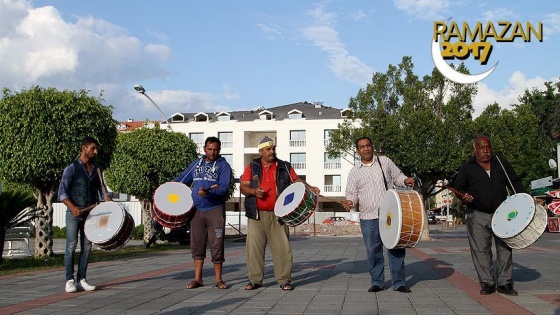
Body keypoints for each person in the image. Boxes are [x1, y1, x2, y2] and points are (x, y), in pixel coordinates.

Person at [240, 136, 319, 291]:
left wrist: (310, 187)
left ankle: (284, 280)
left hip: (278, 215)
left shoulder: (284, 166)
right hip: (256, 214)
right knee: (254, 249)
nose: (272, 151)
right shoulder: (252, 166)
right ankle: (255, 280)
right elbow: (243, 187)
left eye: (273, 148)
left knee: (282, 248)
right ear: (260, 151)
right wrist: (254, 192)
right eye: (268, 149)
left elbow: (297, 181)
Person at [452, 135, 525, 296]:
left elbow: (515, 182)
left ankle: (505, 283)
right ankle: (487, 283)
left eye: (488, 147)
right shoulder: (467, 167)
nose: (485, 150)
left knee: (505, 247)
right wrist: (464, 196)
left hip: (503, 214)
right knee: (481, 250)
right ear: (474, 150)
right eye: (481, 147)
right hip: (477, 215)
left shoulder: (501, 163)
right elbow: (459, 188)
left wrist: (525, 200)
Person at [342, 137, 415, 293]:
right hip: (368, 218)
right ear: (358, 151)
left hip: (390, 215)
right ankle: (377, 282)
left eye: (368, 145)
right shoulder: (355, 171)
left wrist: (406, 180)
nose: (366, 149)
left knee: (395, 248)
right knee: (373, 251)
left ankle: (399, 283)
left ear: (372, 147)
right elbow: (352, 194)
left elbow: (398, 176)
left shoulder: (384, 162)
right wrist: (350, 202)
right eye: (362, 147)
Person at [174, 136, 232, 290]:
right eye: (209, 149)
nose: (212, 152)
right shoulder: (196, 164)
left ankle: (218, 279)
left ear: (219, 150)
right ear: (204, 148)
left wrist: (209, 193)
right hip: (197, 211)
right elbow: (183, 179)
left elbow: (224, 188)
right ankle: (198, 279)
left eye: (215, 149)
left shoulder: (224, 166)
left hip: (215, 210)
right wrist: (168, 188)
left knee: (216, 244)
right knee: (197, 245)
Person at [59, 136, 111, 293]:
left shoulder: (96, 169)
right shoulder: (72, 169)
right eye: (93, 148)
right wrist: (73, 207)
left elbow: (102, 190)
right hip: (74, 214)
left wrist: (107, 199)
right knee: (71, 245)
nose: (95, 151)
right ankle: (69, 280)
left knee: (87, 246)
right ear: (84, 148)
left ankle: (82, 279)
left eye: (96, 149)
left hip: (91, 214)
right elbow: (62, 192)